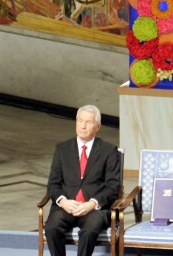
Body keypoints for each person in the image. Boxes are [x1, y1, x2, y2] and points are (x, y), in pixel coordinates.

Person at [45, 105, 120, 256]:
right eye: (80, 121)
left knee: (90, 230)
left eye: (88, 122)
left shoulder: (109, 150)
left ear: (97, 127)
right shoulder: (62, 149)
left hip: (93, 208)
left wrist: (92, 203)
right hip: (67, 206)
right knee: (52, 228)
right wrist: (64, 202)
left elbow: (113, 186)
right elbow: (53, 184)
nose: (83, 126)